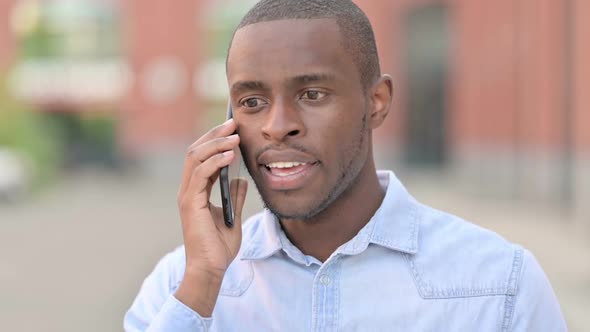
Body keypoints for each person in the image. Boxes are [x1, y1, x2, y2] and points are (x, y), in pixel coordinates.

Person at [124, 0, 567, 331]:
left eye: (312, 94)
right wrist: (203, 281)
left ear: (376, 102)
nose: (277, 127)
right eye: (252, 101)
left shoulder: (500, 284)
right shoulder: (180, 286)